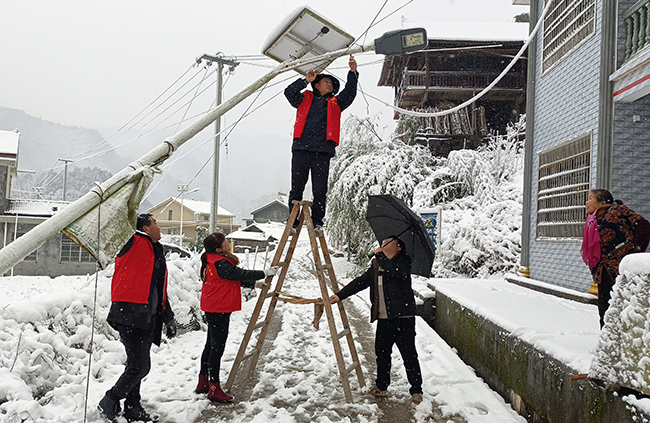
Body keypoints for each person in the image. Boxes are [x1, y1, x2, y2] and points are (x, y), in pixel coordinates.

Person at [98, 214, 176, 423]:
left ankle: (132, 407)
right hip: (129, 314)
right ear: (145, 227)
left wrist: (168, 318)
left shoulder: (155, 250)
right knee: (140, 367)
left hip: (147, 316)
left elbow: (158, 289)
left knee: (136, 364)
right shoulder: (131, 241)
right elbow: (119, 223)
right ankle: (110, 399)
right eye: (156, 223)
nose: (159, 227)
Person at [329, 236, 424, 406]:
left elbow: (395, 271)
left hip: (403, 318)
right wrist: (340, 294)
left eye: (388, 243)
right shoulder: (376, 265)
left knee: (408, 354)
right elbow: (361, 282)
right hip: (384, 318)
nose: (383, 245)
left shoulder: (403, 261)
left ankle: (416, 390)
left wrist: (379, 256)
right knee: (382, 353)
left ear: (398, 248)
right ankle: (382, 386)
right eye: (382, 243)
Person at [195, 232, 280, 403]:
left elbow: (231, 278)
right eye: (225, 241)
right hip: (218, 309)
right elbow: (239, 274)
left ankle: (203, 381)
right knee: (217, 348)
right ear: (218, 248)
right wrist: (264, 273)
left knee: (210, 345)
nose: (228, 242)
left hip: (213, 307)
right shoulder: (220, 262)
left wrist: (255, 284)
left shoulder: (212, 259)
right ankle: (214, 387)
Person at [284, 55, 358, 230]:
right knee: (297, 188)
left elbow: (350, 92)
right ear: (316, 85)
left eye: (332, 84)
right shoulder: (305, 98)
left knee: (320, 190)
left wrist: (353, 73)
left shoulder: (336, 103)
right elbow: (289, 92)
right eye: (326, 82)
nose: (330, 85)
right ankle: (293, 221)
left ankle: (317, 221)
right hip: (301, 149)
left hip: (323, 151)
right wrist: (305, 80)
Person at [584, 189, 647, 328]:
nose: (586, 203)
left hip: (621, 269)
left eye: (590, 199)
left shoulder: (618, 211)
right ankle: (606, 341)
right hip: (603, 270)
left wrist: (635, 250)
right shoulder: (592, 219)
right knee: (605, 307)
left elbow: (643, 225)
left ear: (602, 202)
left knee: (625, 304)